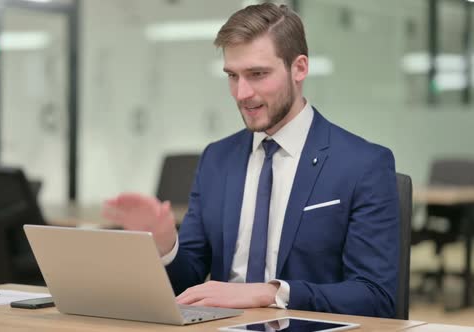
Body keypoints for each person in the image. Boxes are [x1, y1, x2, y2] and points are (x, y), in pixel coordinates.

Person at [103, 3, 399, 318]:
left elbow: (375, 296)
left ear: (299, 68)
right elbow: (186, 281)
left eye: (257, 74)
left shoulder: (362, 164)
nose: (242, 93)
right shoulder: (217, 159)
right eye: (233, 76)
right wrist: (164, 247)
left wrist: (268, 293)